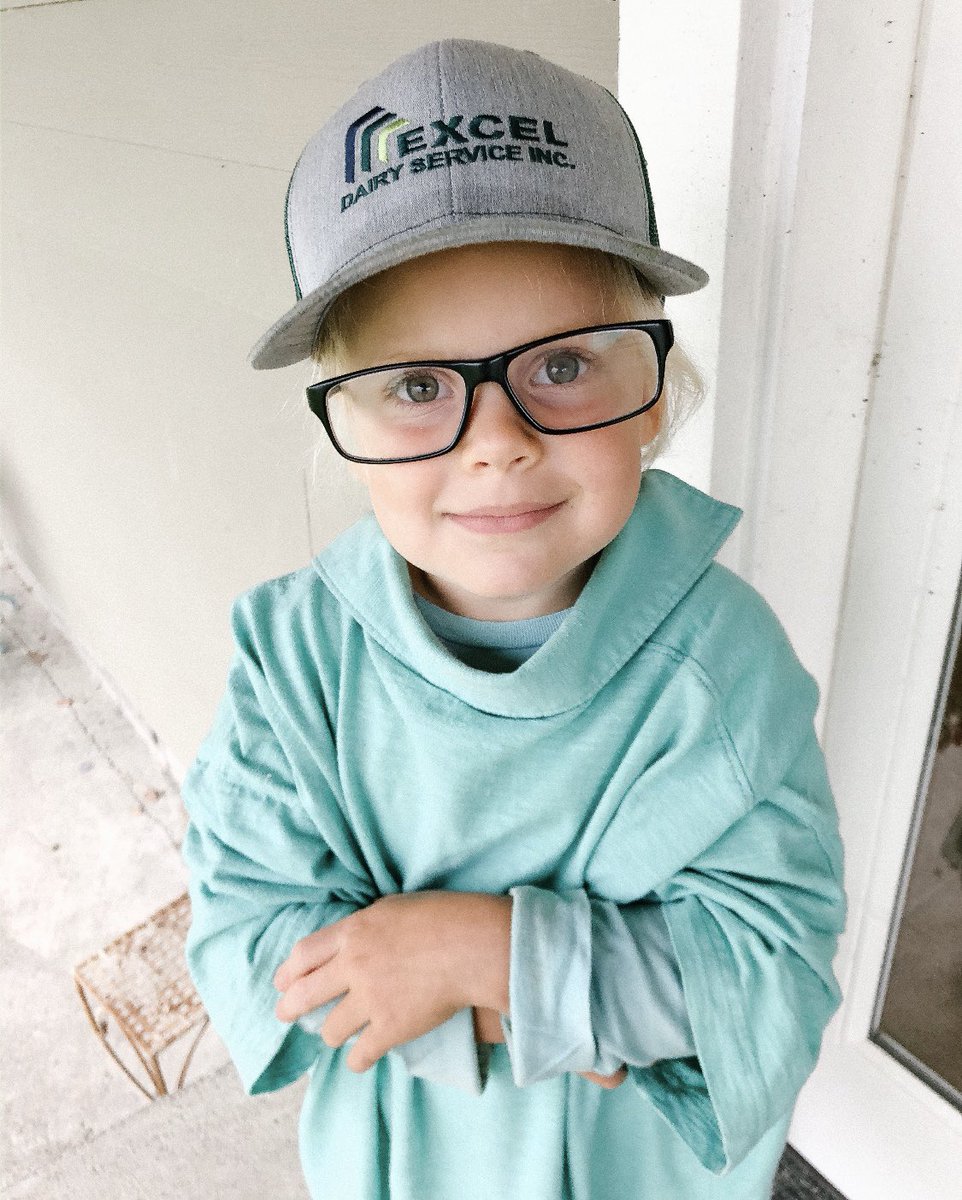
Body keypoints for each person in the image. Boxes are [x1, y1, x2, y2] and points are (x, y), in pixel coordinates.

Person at [180, 38, 846, 1200]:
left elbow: (770, 973)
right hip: (404, 1163)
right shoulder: (290, 663)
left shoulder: (724, 667)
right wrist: (589, 1009)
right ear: (345, 426)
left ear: (652, 398)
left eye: (562, 366)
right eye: (419, 386)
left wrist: (469, 959)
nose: (497, 439)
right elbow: (250, 942)